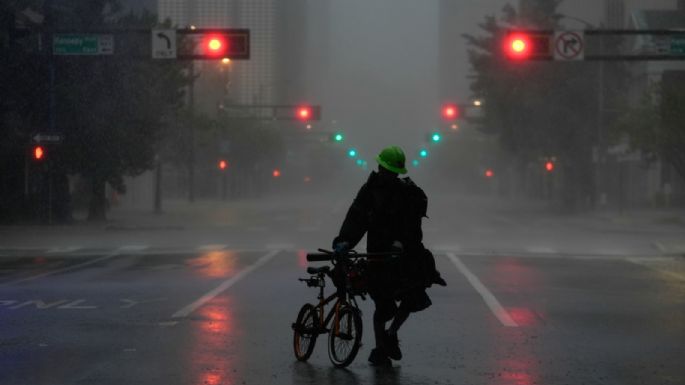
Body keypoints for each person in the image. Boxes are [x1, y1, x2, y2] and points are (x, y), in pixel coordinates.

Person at [332, 145, 446, 367]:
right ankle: (380, 349)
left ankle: (391, 333)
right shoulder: (370, 191)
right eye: (387, 170)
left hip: (402, 256)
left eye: (392, 172)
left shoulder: (408, 193)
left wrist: (402, 244)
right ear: (380, 168)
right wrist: (344, 241)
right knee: (382, 306)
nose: (388, 174)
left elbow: (413, 226)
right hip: (378, 257)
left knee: (412, 295)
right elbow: (357, 217)